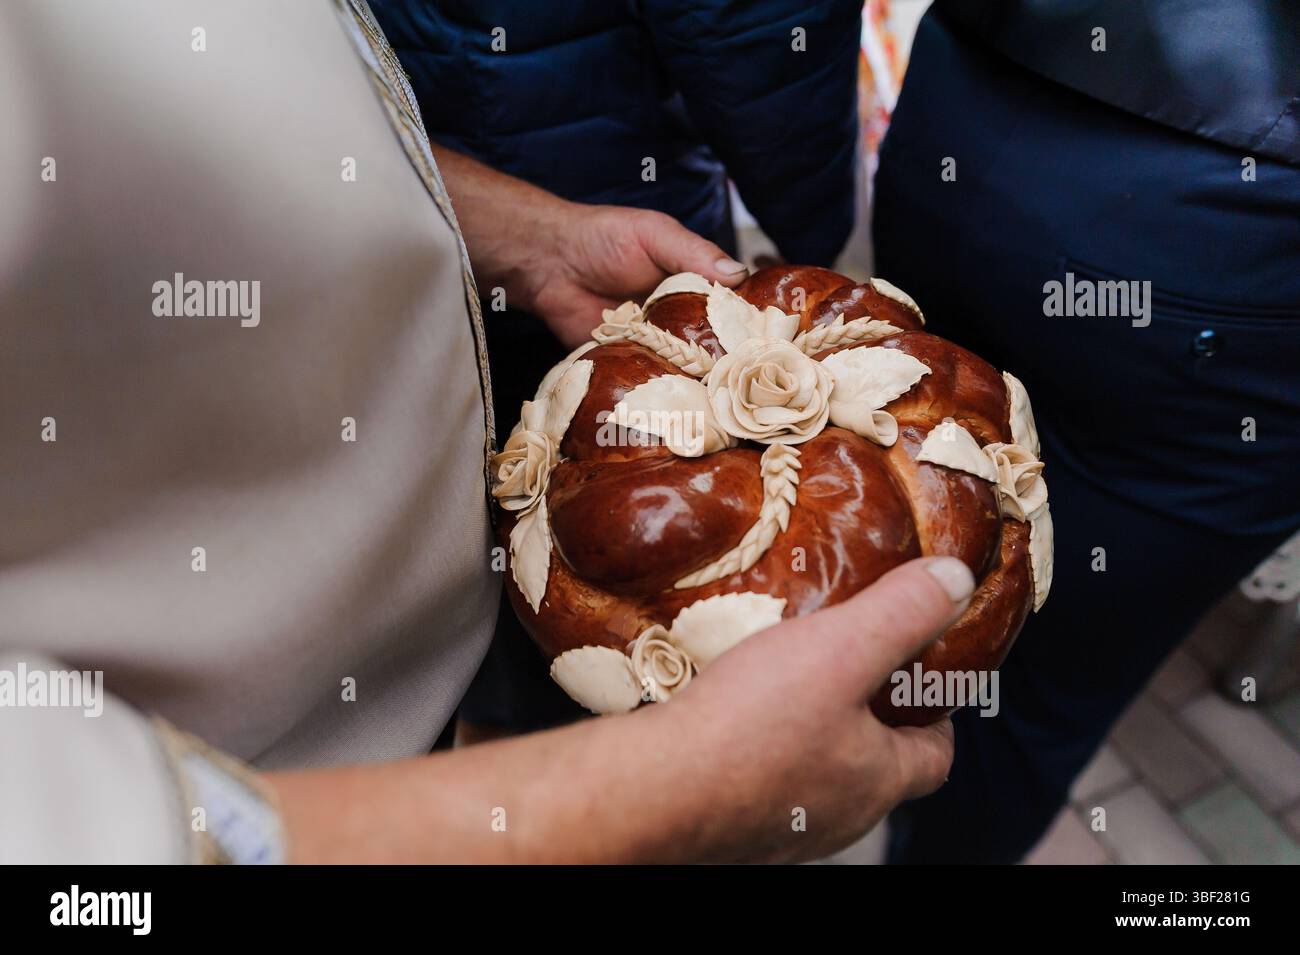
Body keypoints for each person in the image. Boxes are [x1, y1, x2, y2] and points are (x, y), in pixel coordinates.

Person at [0, 0, 962, 863]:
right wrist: (662, 792)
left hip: (400, 663)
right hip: (259, 756)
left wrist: (513, 231)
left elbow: (196, 112)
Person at [366, 0, 868, 736]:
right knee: (600, 543)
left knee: (509, 543)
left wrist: (539, 244)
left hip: (423, 248)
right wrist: (813, 225)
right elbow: (758, 41)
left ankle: (502, 720)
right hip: (615, 174)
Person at [872, 0, 1300, 862]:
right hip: (1232, 250)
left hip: (961, 127)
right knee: (1039, 693)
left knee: (901, 523)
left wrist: (798, 186)